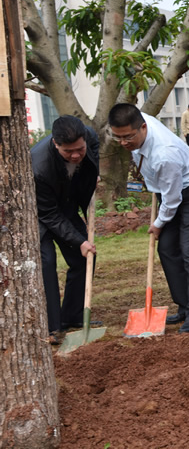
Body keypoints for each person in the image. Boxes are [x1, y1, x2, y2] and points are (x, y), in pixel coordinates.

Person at [109, 104, 189, 334]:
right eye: (118, 137)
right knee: (167, 248)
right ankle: (186, 305)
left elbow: (172, 200)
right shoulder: (137, 120)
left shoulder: (163, 154)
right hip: (171, 190)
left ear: (143, 128)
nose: (123, 143)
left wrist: (157, 224)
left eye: (128, 137)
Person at [31, 115, 100, 344]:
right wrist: (77, 241)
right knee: (46, 262)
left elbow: (94, 150)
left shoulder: (89, 137)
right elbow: (49, 214)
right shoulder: (39, 167)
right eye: (68, 152)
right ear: (55, 144)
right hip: (40, 214)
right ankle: (52, 326)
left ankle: (73, 315)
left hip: (67, 204)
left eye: (79, 149)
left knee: (84, 257)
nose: (76, 155)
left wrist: (93, 172)